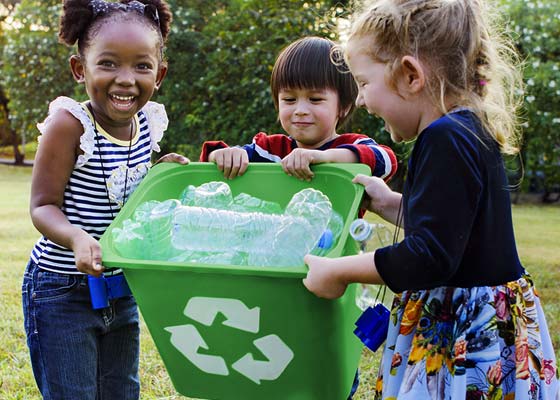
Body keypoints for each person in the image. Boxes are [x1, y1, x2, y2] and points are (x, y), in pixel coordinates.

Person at [303, 0, 559, 399]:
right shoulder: (469, 128)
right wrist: (390, 203)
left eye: (366, 84)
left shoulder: (442, 138)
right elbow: (456, 230)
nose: (364, 101)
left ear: (410, 76)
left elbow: (430, 256)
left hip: (461, 332)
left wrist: (338, 270)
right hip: (489, 321)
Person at [22, 1, 188, 399]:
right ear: (81, 69)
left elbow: (126, 192)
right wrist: (77, 238)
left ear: (160, 74)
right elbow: (42, 205)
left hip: (120, 286)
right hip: (63, 289)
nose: (126, 80)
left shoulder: (148, 122)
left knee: (121, 390)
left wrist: (162, 173)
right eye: (109, 64)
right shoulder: (69, 124)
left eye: (142, 66)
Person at [199, 36, 397, 183]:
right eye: (289, 99)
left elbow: (386, 161)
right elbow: (212, 160)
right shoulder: (270, 151)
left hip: (339, 239)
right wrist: (222, 156)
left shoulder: (352, 145)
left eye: (315, 99)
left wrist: (324, 157)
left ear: (343, 107)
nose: (300, 110)